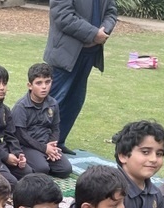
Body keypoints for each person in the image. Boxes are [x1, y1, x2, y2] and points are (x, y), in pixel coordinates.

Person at [43, 0, 117, 154]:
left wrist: (104, 31)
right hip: (64, 54)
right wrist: (93, 34)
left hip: (88, 55)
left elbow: (111, 12)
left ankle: (58, 142)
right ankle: (39, 146)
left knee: (74, 101)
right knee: (52, 102)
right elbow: (63, 15)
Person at [11, 62, 72, 179]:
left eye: (47, 82)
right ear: (30, 85)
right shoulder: (21, 107)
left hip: (47, 144)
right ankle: (39, 163)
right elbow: (21, 136)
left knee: (66, 169)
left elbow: (55, 127)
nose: (44, 87)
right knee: (42, 169)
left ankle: (44, 161)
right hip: (27, 146)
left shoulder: (53, 103)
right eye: (39, 83)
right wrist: (44, 149)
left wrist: (52, 146)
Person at [0, 64, 32, 180]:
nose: (2, 88)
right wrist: (5, 156)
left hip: (2, 149)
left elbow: (11, 135)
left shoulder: (5, 110)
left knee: (27, 172)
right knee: (7, 179)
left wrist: (18, 154)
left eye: (4, 83)